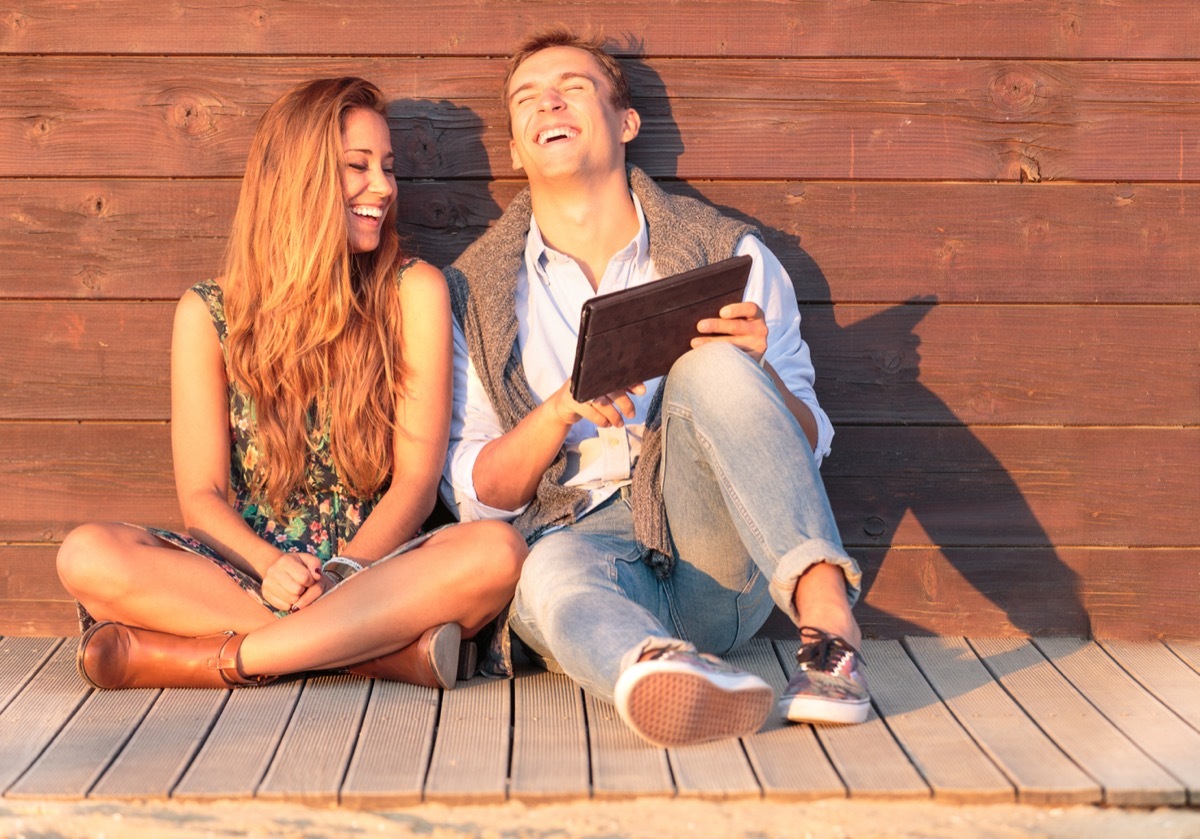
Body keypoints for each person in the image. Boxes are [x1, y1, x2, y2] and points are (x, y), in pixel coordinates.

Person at [442, 27, 869, 747]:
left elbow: (806, 444)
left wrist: (753, 374)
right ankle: (658, 671)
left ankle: (829, 623)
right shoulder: (472, 293)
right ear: (516, 148)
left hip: (711, 556)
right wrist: (555, 414)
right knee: (544, 572)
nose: (548, 101)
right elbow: (473, 492)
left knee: (713, 362)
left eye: (573, 88)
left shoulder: (730, 254)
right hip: (577, 546)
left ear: (625, 122)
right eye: (526, 97)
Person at [56, 77, 527, 691]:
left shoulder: (414, 292)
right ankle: (374, 654)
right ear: (296, 179)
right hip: (246, 570)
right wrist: (270, 565)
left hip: (376, 568)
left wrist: (339, 572)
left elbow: (414, 483)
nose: (383, 188)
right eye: (357, 166)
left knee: (496, 553)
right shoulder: (208, 313)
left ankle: (221, 660)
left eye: (387, 168)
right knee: (84, 554)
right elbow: (202, 495)